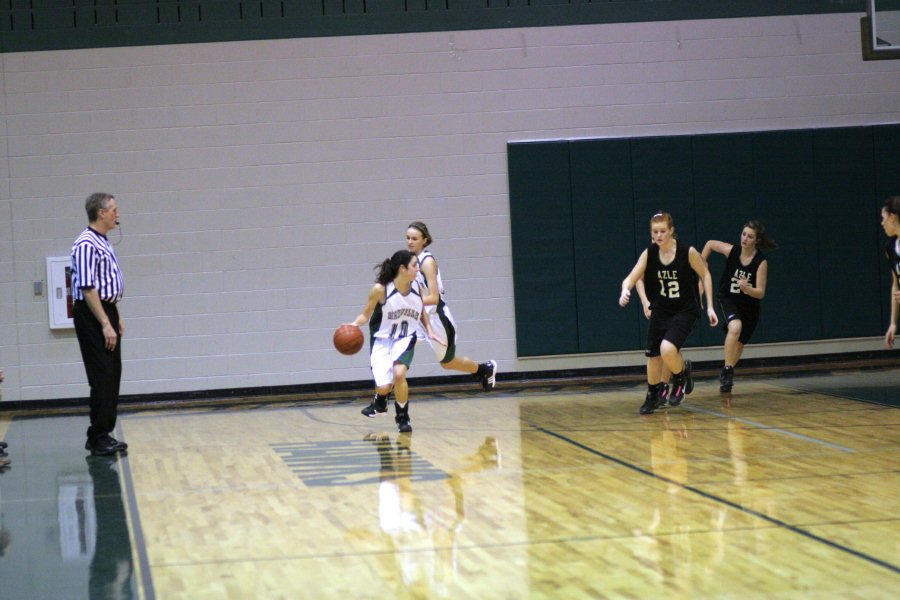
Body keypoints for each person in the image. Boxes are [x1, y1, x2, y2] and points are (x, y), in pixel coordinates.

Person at [620, 212, 718, 414]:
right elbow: (631, 277)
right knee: (653, 356)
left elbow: (706, 274)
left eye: (663, 231)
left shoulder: (686, 252)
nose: (659, 235)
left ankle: (681, 376)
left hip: (685, 310)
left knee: (667, 349)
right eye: (655, 232)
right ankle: (652, 395)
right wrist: (625, 290)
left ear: (671, 231)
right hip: (661, 310)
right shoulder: (649, 254)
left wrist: (709, 306)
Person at [350, 250, 438, 432]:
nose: (418, 270)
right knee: (384, 386)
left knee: (399, 374)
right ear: (402, 269)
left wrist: (429, 330)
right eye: (414, 266)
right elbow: (365, 315)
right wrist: (352, 325)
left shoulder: (417, 288)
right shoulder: (381, 290)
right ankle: (380, 399)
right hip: (382, 339)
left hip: (405, 338)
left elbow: (421, 311)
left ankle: (402, 417)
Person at [404, 222, 497, 391]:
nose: (410, 241)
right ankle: (383, 395)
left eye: (414, 238)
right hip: (420, 318)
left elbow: (433, 297)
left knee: (448, 363)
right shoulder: (410, 261)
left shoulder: (427, 262)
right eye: (408, 238)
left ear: (424, 240)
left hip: (438, 320)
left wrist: (408, 300)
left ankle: (484, 369)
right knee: (398, 346)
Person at [71, 193, 127, 456]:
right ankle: (97, 436)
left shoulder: (103, 242)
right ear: (101, 213)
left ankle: (105, 432)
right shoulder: (85, 243)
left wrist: (116, 316)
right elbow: (87, 287)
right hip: (93, 314)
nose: (118, 214)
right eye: (114, 210)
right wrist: (105, 322)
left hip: (106, 311)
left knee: (113, 373)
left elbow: (107, 287)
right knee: (102, 374)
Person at [701, 220, 777, 392]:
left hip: (749, 305)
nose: (745, 238)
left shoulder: (760, 261)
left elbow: (760, 292)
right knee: (735, 327)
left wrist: (748, 288)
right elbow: (710, 244)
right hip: (728, 299)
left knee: (740, 344)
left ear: (756, 240)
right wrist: (701, 264)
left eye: (750, 236)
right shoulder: (732, 251)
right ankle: (728, 370)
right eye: (743, 234)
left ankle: (727, 371)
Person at [881, 196, 900, 348]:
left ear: (893, 217)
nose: (882, 223)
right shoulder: (890, 248)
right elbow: (896, 284)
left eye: (884, 218)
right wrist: (893, 322)